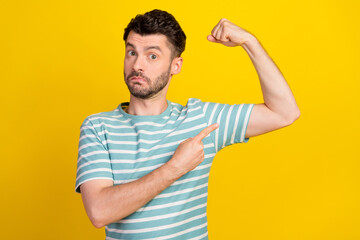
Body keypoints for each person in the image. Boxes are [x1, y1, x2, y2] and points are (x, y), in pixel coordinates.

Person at [75, 9, 300, 239]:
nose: (137, 65)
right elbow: (99, 211)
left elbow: (284, 112)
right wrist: (175, 168)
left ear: (176, 66)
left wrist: (250, 43)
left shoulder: (200, 119)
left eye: (152, 56)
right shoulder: (97, 127)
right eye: (132, 52)